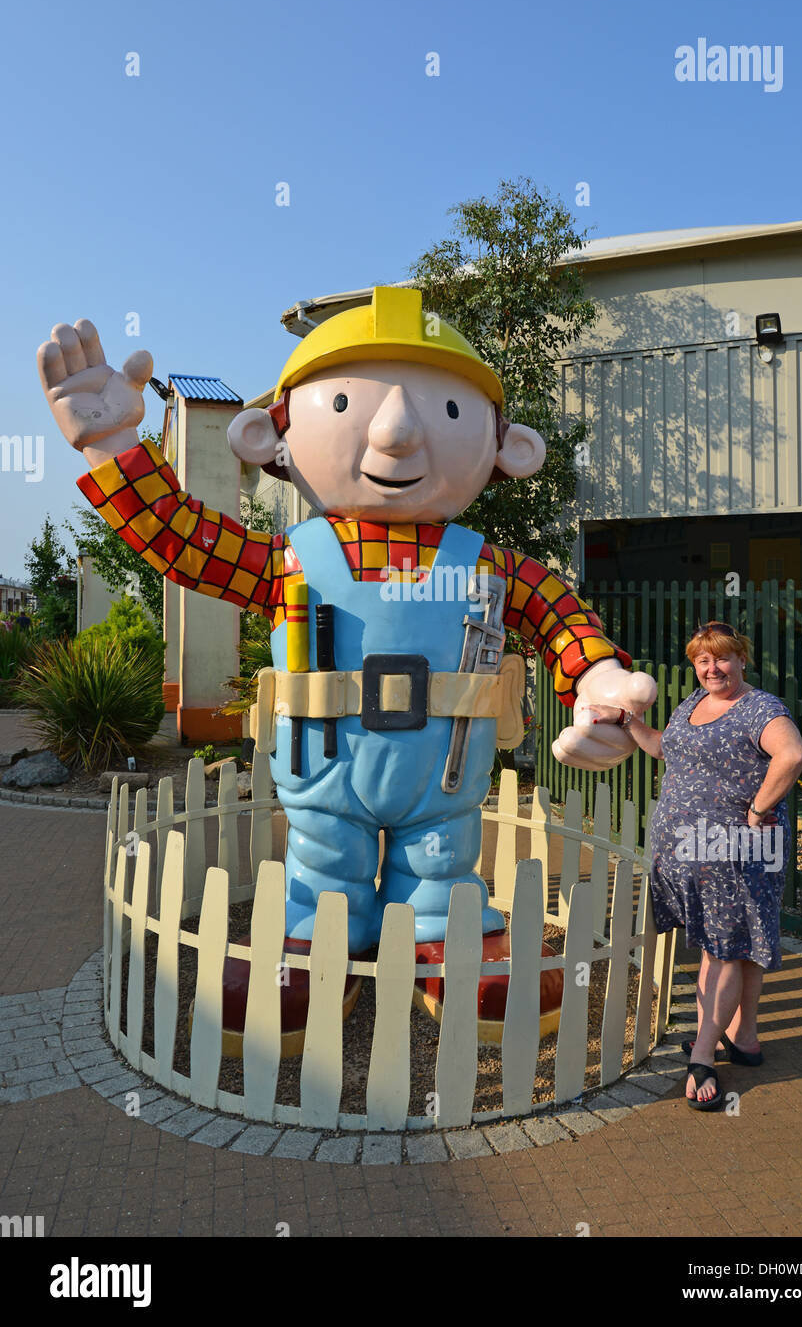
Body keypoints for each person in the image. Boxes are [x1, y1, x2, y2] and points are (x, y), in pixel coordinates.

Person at [37, 292, 656, 1040]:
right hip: (324, 775)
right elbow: (182, 539)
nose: (395, 433)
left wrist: (599, 683)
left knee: (442, 869)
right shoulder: (292, 559)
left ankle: (447, 932)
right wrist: (110, 446)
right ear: (270, 437)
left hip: (446, 778)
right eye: (345, 402)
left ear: (507, 447)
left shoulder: (488, 565)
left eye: (448, 413)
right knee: (323, 871)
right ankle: (315, 940)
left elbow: (563, 617)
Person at [587, 622, 802, 1111]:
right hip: (694, 848)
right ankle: (744, 1040)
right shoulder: (693, 702)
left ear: (742, 659)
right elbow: (669, 748)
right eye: (703, 661)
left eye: (723, 658)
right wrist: (627, 723)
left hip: (735, 850)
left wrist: (754, 811)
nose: (713, 668)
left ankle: (703, 1055)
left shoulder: (760, 708)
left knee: (723, 949)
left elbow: (791, 756)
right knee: (739, 944)